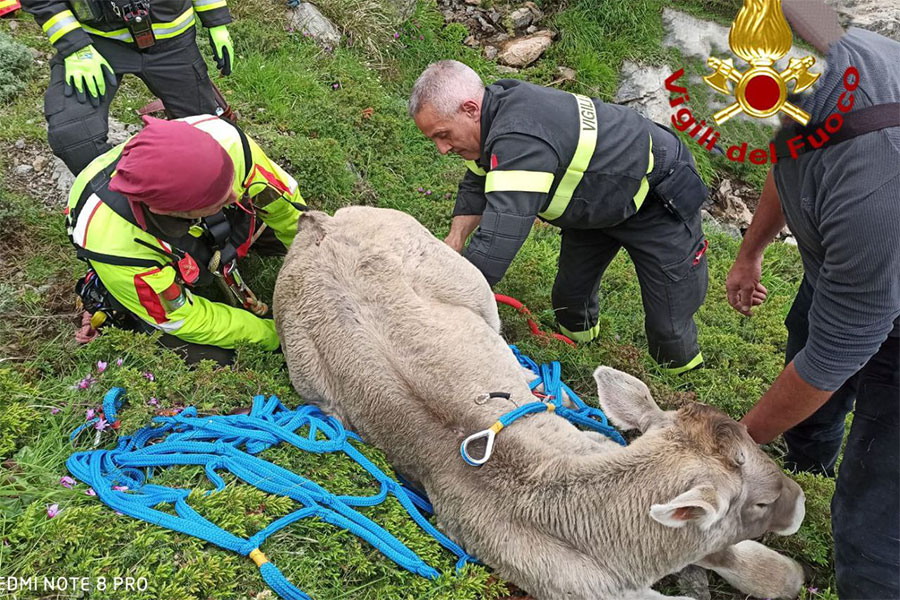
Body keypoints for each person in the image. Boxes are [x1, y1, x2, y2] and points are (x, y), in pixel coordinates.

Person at [725, 2, 900, 597]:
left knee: (876, 503)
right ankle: (806, 462)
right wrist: (750, 251)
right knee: (809, 349)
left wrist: (732, 447)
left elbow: (835, 351)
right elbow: (789, 155)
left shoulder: (879, 172)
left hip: (885, 292)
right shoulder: (824, 80)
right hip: (848, 272)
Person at [409, 60, 710, 374]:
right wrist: (454, 241)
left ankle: (683, 385)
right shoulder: (492, 116)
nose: (442, 148)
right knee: (570, 298)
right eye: (434, 139)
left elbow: (496, 243)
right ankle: (581, 356)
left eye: (443, 135)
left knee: (669, 321)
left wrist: (438, 303)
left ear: (470, 109)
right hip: (597, 202)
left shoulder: (522, 139)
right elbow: (477, 181)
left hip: (657, 199)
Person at [67, 115, 305, 364]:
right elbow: (185, 318)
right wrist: (273, 335)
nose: (235, 195)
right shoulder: (119, 249)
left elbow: (288, 210)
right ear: (171, 213)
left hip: (198, 222)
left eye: (230, 186)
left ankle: (218, 231)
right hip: (151, 256)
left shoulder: (227, 142)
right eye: (220, 200)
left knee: (286, 228)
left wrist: (315, 263)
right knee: (206, 354)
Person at [21, 0, 235, 174]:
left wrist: (216, 21)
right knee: (74, 136)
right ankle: (124, 200)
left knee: (213, 139)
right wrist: (75, 46)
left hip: (172, 43)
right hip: (96, 44)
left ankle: (212, 206)